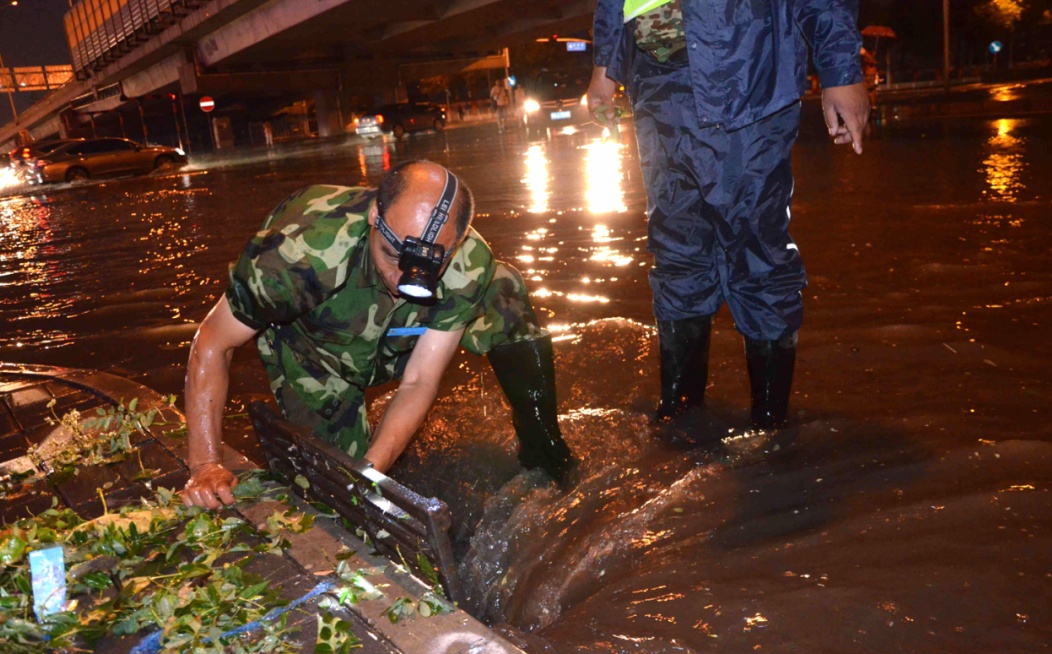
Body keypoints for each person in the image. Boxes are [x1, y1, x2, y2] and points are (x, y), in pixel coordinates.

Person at [180, 160, 575, 509]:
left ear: (453, 247)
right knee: (330, 489)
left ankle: (543, 449)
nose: (402, 281)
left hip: (402, 332)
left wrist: (371, 473)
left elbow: (419, 380)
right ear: (374, 215)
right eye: (391, 255)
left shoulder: (466, 261)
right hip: (315, 348)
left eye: (423, 269)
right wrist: (205, 464)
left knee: (502, 284)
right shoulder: (298, 255)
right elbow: (213, 342)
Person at [586, 0, 870, 429]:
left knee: (758, 252)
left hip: (745, 74)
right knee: (676, 252)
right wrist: (604, 69)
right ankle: (681, 415)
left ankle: (769, 426)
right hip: (656, 88)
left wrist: (841, 71)